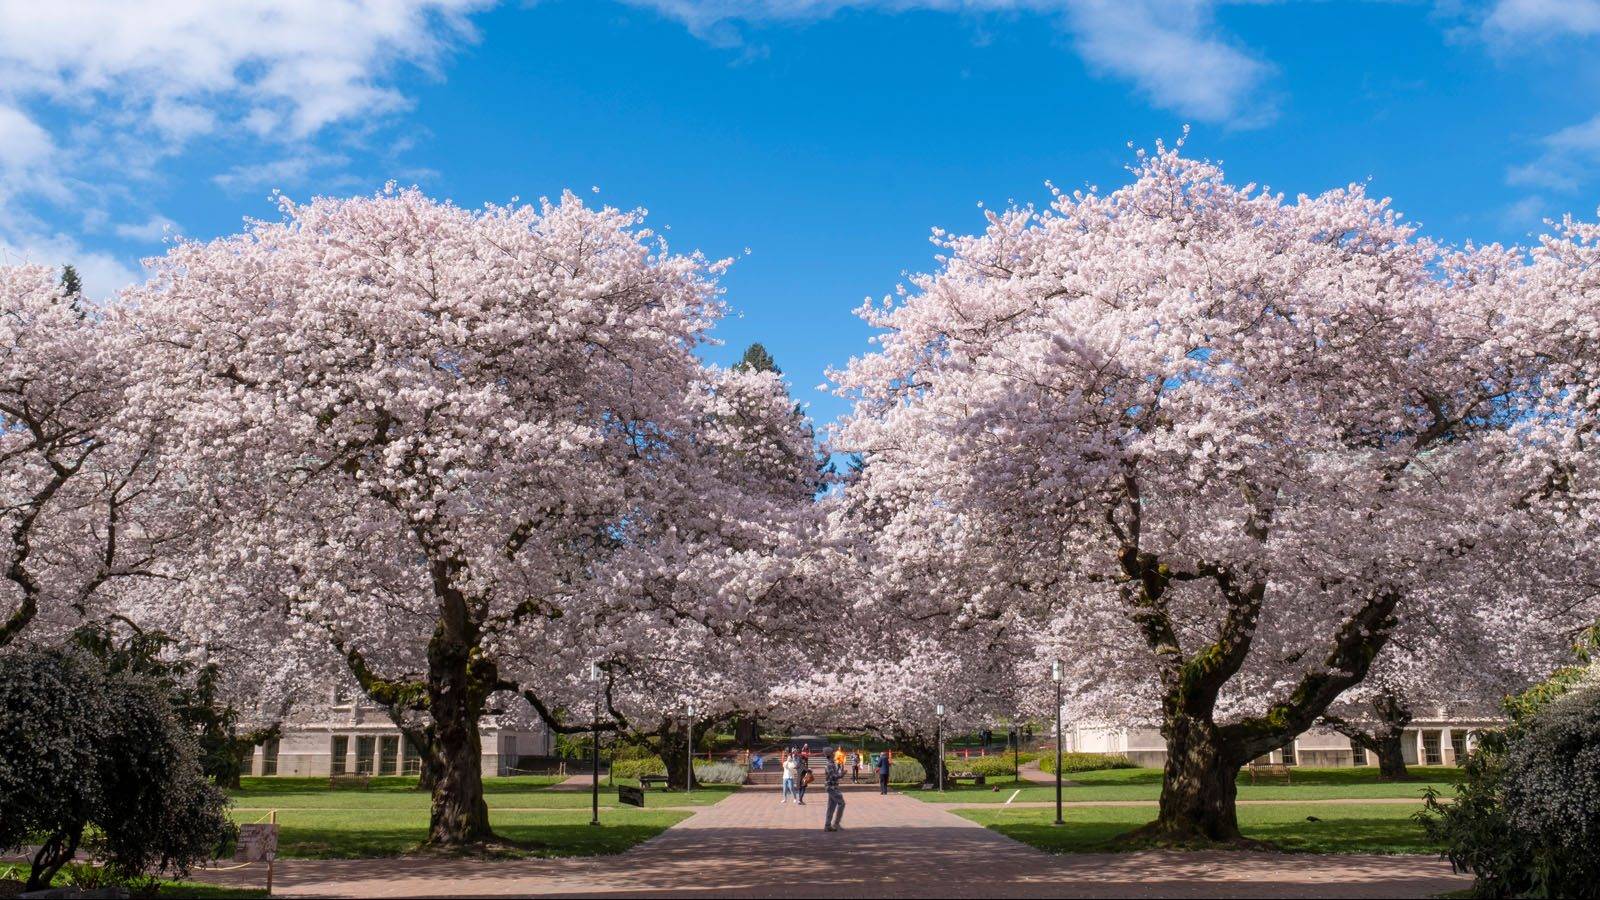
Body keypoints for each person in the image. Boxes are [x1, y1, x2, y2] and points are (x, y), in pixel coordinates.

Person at [823, 746, 846, 832]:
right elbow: (833, 776)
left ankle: (827, 825)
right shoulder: (829, 764)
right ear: (830, 754)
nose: (834, 754)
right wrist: (842, 774)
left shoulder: (831, 763)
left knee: (831, 806)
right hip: (831, 787)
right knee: (841, 803)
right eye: (833, 753)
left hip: (832, 787)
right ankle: (836, 823)